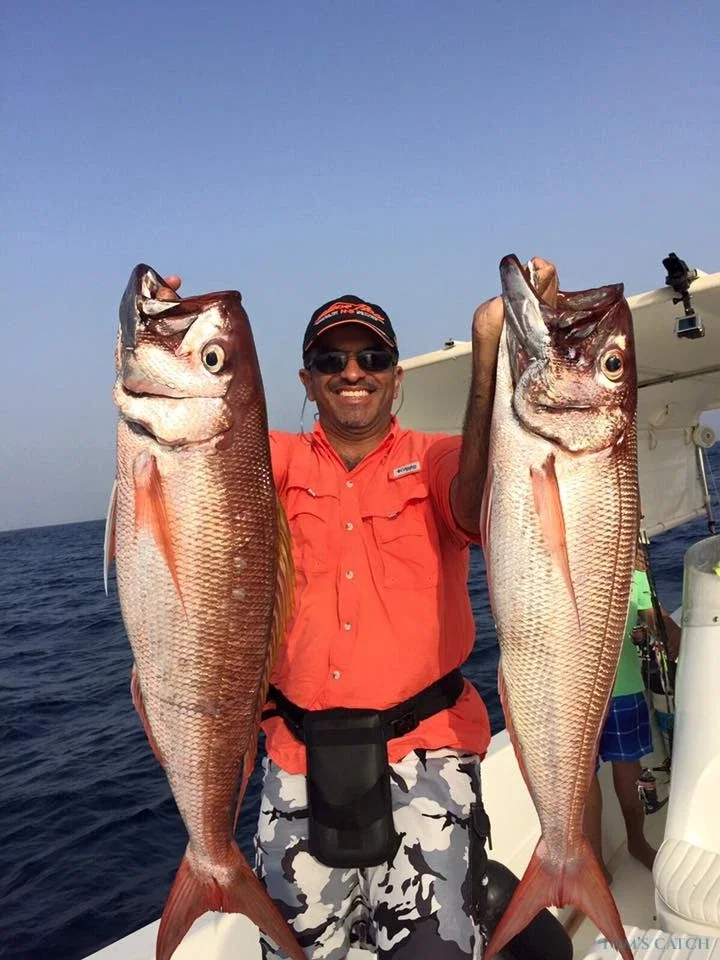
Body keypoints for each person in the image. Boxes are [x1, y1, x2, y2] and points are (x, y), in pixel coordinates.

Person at [158, 261, 559, 959]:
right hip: (295, 764)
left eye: (372, 357)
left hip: (428, 758)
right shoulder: (264, 463)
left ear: (396, 378)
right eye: (331, 359)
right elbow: (194, 462)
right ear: (305, 380)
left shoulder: (438, 459)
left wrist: (498, 349)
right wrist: (173, 352)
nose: (353, 372)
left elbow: (475, 508)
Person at [583, 547, 681, 881]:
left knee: (630, 772)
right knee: (583, 779)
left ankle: (637, 842)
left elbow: (648, 610)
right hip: (576, 695)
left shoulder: (630, 564)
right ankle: (593, 862)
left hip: (623, 686)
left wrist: (669, 628)